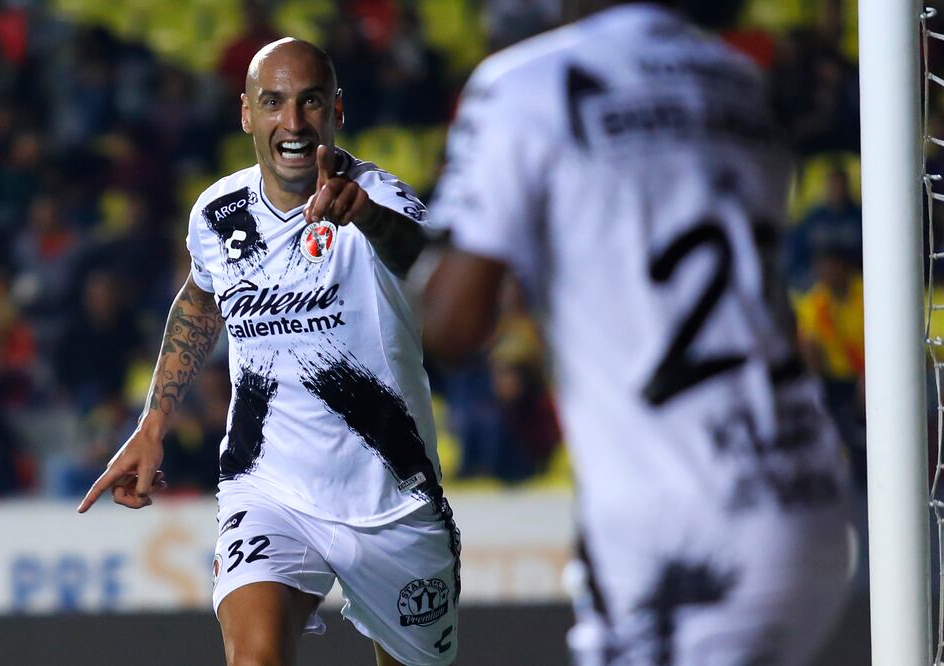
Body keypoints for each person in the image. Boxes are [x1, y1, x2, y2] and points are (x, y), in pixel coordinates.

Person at [422, 2, 851, 664]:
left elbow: (451, 328)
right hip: (805, 490)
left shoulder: (527, 84)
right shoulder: (735, 78)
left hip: (683, 527)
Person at [78, 38, 459, 666]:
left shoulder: (380, 199)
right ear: (246, 114)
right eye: (273, 102)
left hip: (392, 501)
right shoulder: (218, 214)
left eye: (310, 102)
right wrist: (152, 424)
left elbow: (430, 267)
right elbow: (200, 302)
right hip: (269, 490)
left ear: (338, 111)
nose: (293, 123)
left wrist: (366, 218)